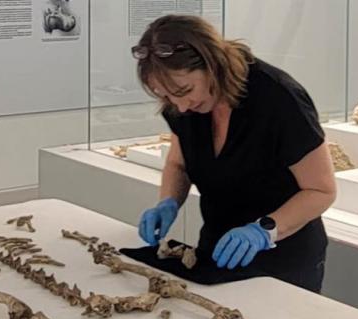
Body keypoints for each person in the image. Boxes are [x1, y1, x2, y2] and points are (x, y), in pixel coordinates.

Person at [134, 15, 336, 293]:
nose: (180, 107)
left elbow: (321, 190)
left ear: (212, 63)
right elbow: (178, 164)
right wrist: (167, 202)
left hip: (284, 258)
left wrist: (263, 231)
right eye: (168, 97)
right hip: (217, 249)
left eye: (185, 91)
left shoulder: (278, 98)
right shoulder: (184, 105)